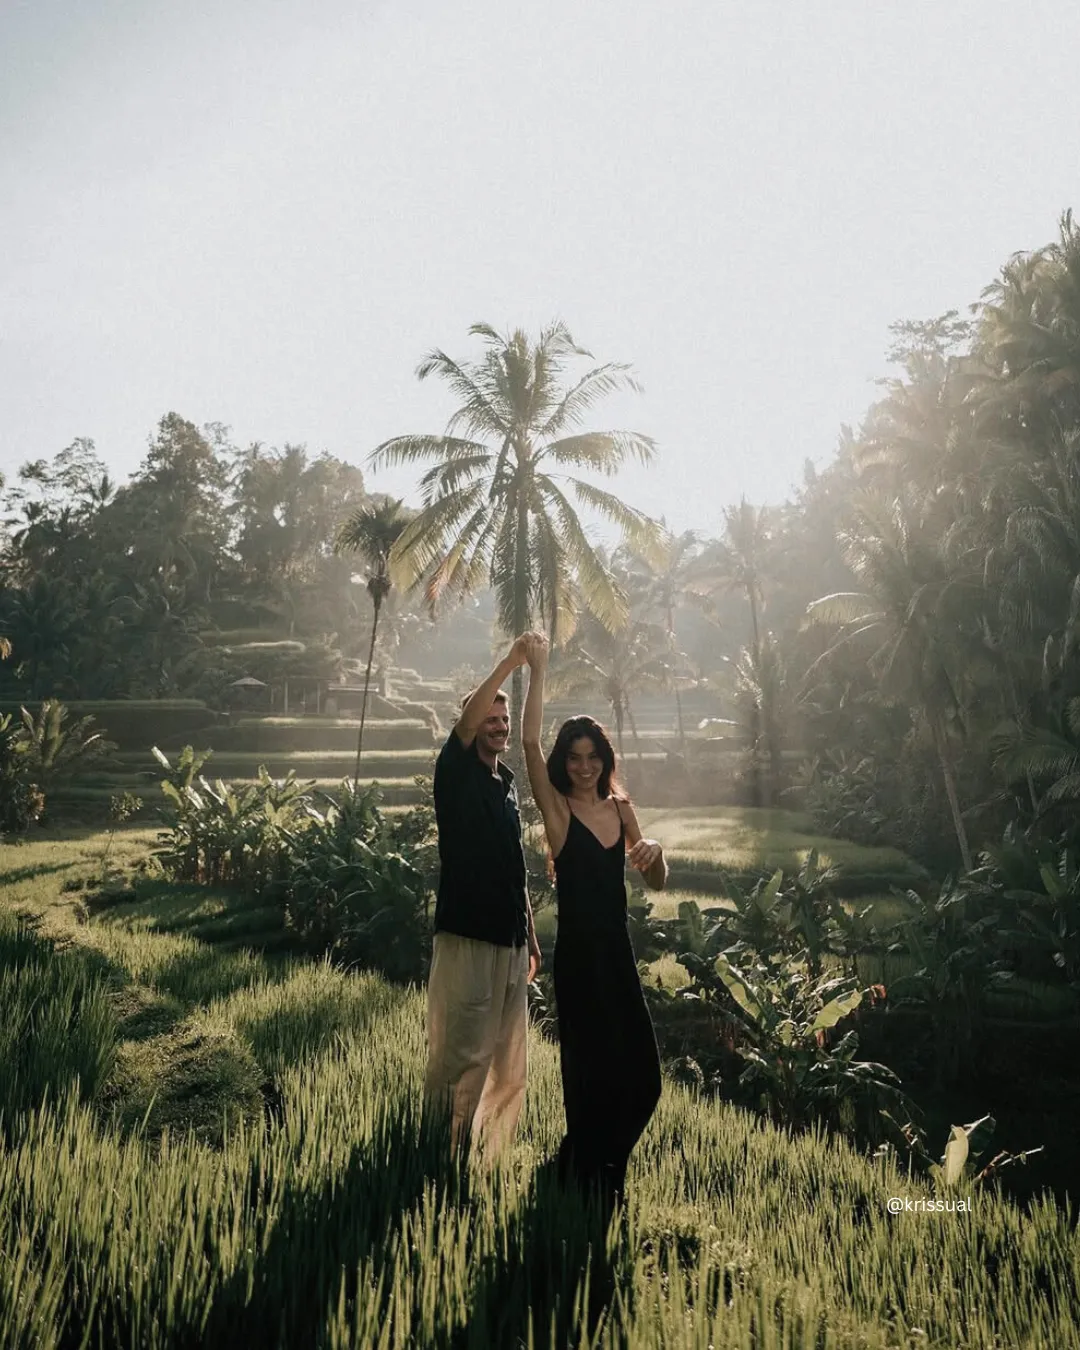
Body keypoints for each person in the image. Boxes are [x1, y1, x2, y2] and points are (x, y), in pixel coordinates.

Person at [520, 633, 665, 1210]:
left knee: (644, 1077)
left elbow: (654, 880)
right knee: (587, 1072)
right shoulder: (559, 813)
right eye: (574, 757)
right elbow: (528, 742)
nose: (583, 767)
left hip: (617, 954)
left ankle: (604, 1161)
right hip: (578, 958)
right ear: (565, 761)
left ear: (605, 758)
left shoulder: (621, 808)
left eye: (593, 757)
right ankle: (593, 1172)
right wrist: (536, 668)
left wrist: (655, 849)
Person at [424, 634, 543, 1153]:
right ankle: (439, 1150)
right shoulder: (455, 772)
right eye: (489, 718)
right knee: (463, 1054)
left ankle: (490, 1154)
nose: (498, 725)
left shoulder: (508, 784)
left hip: (511, 940)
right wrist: (512, 663)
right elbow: (468, 720)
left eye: (504, 719)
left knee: (509, 1059)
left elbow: (514, 869)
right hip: (468, 934)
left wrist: (532, 937)